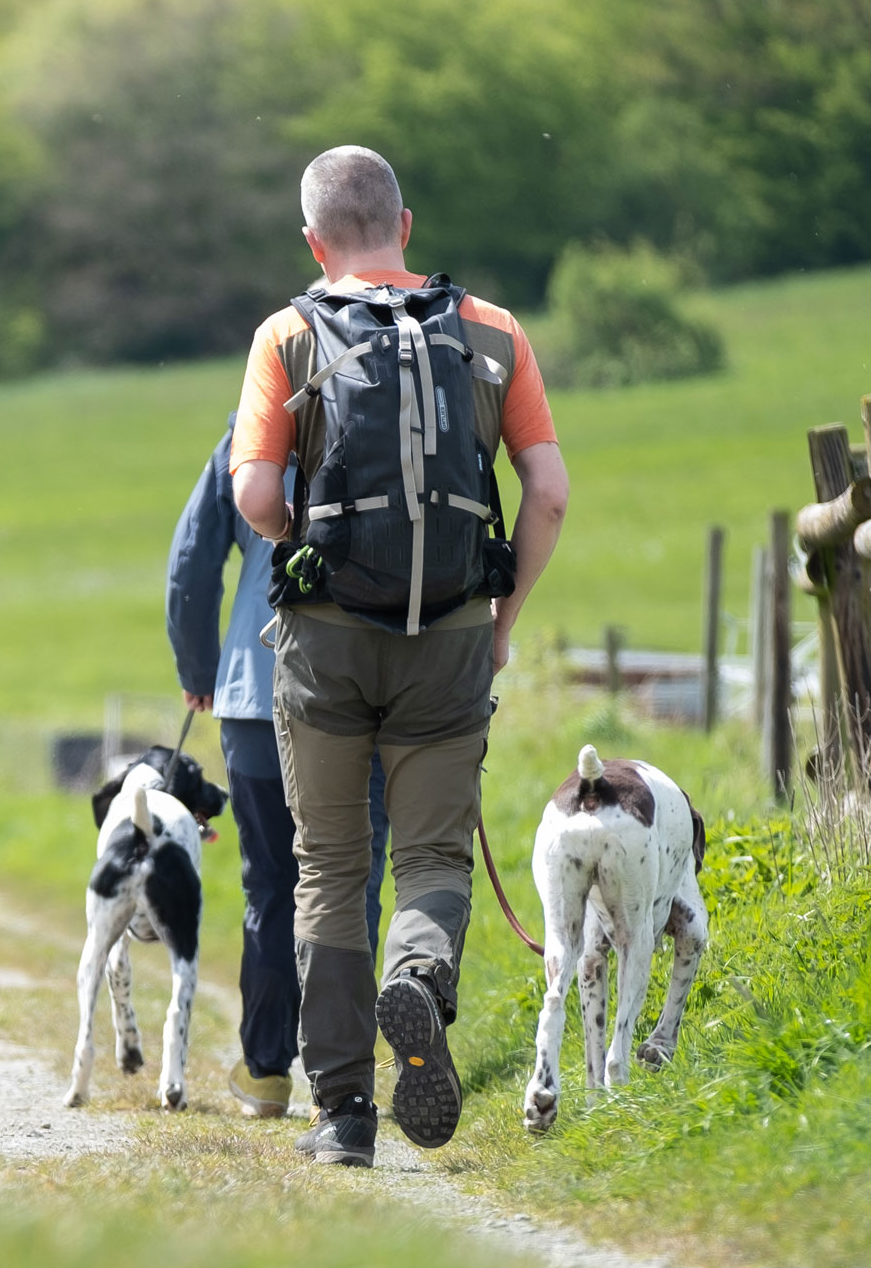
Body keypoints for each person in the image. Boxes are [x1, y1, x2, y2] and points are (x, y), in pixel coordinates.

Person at [230, 146, 569, 1166]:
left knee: (328, 866)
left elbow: (252, 497)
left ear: (311, 239)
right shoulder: (493, 331)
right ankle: (417, 974)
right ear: (404, 224)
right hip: (453, 636)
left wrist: (309, 544)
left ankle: (339, 1112)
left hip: (324, 640)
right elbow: (546, 492)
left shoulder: (286, 335)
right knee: (427, 852)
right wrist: (500, 620)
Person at [166, 428, 390, 1120]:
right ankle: (345, 1073)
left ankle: (267, 1073)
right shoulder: (389, 417)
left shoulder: (251, 430)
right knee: (353, 877)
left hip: (256, 690)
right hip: (367, 687)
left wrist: (200, 668)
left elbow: (193, 565)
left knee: (272, 881)